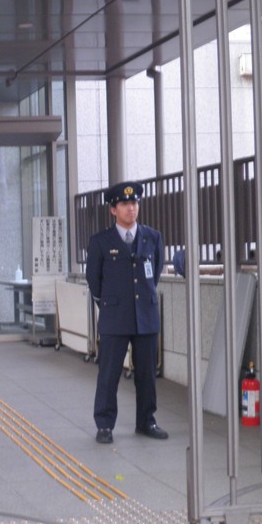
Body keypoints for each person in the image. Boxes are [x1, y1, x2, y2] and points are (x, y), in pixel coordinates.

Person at [85, 181, 168, 444]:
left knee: (146, 375)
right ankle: (104, 424)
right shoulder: (100, 242)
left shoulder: (152, 237)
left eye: (134, 203)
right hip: (114, 317)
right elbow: (94, 279)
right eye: (124, 204)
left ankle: (146, 421)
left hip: (146, 316)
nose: (131, 208)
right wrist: (109, 304)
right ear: (113, 209)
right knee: (109, 374)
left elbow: (154, 273)